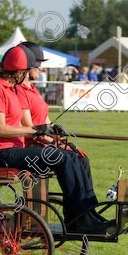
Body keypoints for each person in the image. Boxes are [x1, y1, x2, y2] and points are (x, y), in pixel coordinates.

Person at [0, 45, 112, 234]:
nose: (27, 75)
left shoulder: (11, 89)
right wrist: (35, 131)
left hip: (15, 149)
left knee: (72, 156)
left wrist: (43, 129)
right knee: (63, 158)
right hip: (2, 151)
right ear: (17, 71)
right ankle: (82, 220)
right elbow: (0, 129)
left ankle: (85, 215)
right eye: (25, 71)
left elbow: (21, 124)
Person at [17, 41, 95, 187]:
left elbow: (46, 121)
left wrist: (60, 136)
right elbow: (30, 129)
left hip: (43, 142)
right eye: (38, 65)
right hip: (33, 146)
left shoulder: (33, 89)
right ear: (28, 66)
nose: (40, 69)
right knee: (73, 157)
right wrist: (56, 144)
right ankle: (78, 205)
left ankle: (86, 203)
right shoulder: (20, 91)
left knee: (81, 158)